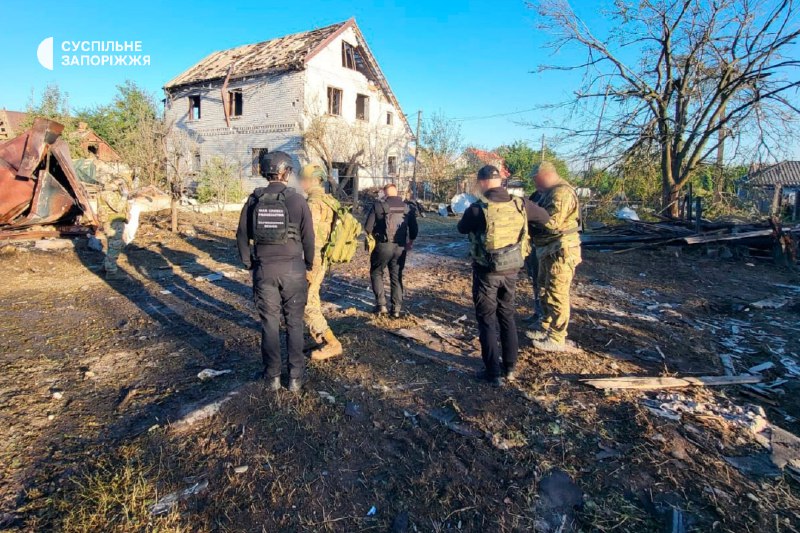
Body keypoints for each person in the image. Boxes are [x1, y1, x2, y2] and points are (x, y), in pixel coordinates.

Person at [458, 165, 549, 386]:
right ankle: (510, 368)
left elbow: (462, 228)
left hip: (486, 272)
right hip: (512, 269)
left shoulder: (478, 208)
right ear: (500, 182)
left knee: (487, 320)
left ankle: (493, 373)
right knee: (507, 316)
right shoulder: (521, 204)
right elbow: (545, 217)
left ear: (482, 182)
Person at [236, 151, 315, 392]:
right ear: (286, 172)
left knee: (269, 323)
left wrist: (248, 262)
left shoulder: (253, 200)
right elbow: (309, 237)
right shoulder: (298, 200)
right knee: (294, 323)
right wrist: (309, 263)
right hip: (293, 269)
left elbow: (241, 235)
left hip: (264, 270)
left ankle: (272, 376)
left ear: (265, 172)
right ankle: (295, 377)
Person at [526, 161, 582, 352]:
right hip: (548, 249)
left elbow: (552, 222)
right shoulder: (548, 192)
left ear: (546, 175)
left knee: (557, 293)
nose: (535, 184)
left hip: (560, 251)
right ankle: (547, 326)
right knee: (544, 289)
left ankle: (557, 337)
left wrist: (530, 213)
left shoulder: (561, 193)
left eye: (536, 180)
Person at [298, 164, 343, 361]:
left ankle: (331, 343)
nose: (301, 183)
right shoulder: (330, 200)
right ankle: (318, 336)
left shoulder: (313, 204)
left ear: (311, 180)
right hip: (322, 256)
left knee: (307, 302)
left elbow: (307, 235)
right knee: (311, 298)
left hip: (311, 258)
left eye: (303, 179)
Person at [364, 184, 418, 318]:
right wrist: (410, 242)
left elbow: (367, 227)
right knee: (396, 276)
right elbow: (414, 230)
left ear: (384, 193)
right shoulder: (408, 207)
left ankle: (381, 305)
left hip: (382, 245)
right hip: (400, 247)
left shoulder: (378, 205)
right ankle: (396, 309)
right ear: (396, 192)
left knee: (376, 272)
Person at [97, 177, 131, 279]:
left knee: (114, 245)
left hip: (114, 222)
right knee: (115, 246)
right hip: (113, 224)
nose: (122, 186)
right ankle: (111, 272)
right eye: (121, 184)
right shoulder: (108, 193)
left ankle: (105, 266)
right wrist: (124, 195)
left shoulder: (110, 193)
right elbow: (118, 207)